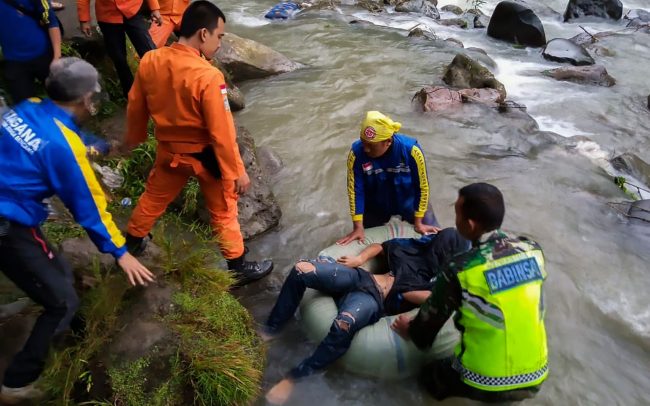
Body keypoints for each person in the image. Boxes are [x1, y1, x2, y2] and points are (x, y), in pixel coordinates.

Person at [0, 57, 154, 404]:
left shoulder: (31, 106)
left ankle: (42, 300)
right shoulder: (63, 148)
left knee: (60, 271)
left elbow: (61, 136)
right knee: (62, 302)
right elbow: (89, 208)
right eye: (93, 98)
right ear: (85, 100)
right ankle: (15, 383)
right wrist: (121, 252)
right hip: (8, 224)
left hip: (9, 208)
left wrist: (100, 146)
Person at [123, 1, 273, 286]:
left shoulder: (151, 60)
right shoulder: (207, 75)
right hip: (205, 157)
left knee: (153, 198)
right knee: (224, 210)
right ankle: (238, 266)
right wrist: (236, 171)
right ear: (204, 34)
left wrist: (135, 139)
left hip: (169, 152)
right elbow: (222, 132)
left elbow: (135, 106)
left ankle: (133, 240)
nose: (219, 44)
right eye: (219, 37)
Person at [262, 228, 470, 405]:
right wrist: (359, 258)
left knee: (344, 323)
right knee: (301, 269)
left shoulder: (440, 284)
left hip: (371, 299)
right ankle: (273, 328)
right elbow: (382, 246)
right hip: (361, 276)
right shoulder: (414, 248)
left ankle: (294, 377)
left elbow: (416, 295)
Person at [392, 183, 548, 402]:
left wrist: (409, 328)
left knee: (429, 376)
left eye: (457, 215)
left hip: (483, 380)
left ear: (471, 225)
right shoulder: (532, 249)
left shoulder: (461, 269)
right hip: (536, 376)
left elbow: (424, 334)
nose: (455, 221)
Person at [337, 111, 440, 245]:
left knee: (436, 238)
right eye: (363, 143)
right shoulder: (356, 154)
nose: (366, 149)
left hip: (409, 200)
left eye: (371, 146)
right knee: (362, 241)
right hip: (376, 204)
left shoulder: (411, 150)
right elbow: (355, 191)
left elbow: (422, 186)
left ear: (388, 142)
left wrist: (419, 221)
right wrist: (358, 226)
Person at [77, 0, 162, 97]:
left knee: (149, 53)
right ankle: (131, 95)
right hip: (108, 16)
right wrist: (84, 19)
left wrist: (154, 8)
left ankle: (160, 88)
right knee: (119, 58)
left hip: (133, 10)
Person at [0, 0, 62, 103]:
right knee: (24, 105)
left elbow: (51, 22)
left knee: (62, 95)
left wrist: (57, 57)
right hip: (14, 61)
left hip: (43, 53)